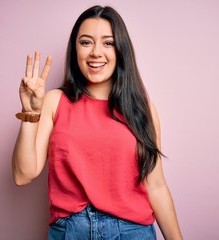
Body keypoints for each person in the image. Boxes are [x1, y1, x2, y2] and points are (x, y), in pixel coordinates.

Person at [12, 5, 182, 240]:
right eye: (86, 42)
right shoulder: (55, 101)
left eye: (108, 43)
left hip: (132, 232)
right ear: (75, 50)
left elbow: (156, 187)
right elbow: (23, 175)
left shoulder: (143, 109)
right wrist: (29, 114)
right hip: (71, 231)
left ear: (121, 50)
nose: (96, 52)